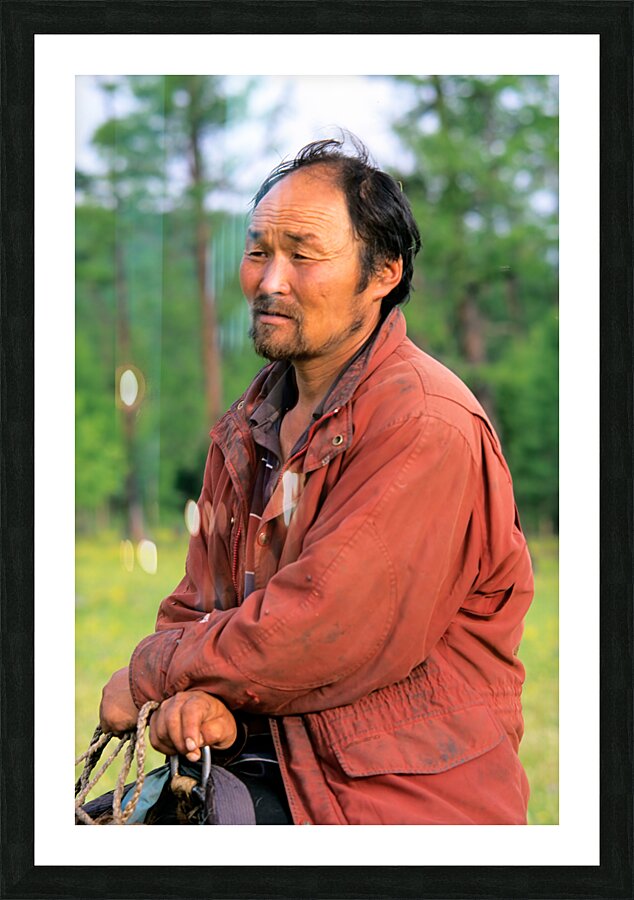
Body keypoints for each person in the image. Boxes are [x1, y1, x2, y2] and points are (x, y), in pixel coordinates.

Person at [99, 137, 534, 825]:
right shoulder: (249, 424)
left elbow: (319, 626)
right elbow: (198, 603)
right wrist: (198, 701)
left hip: (388, 802)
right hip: (265, 769)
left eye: (303, 255)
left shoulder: (426, 425)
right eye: (257, 251)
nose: (270, 280)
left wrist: (157, 671)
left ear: (384, 272)